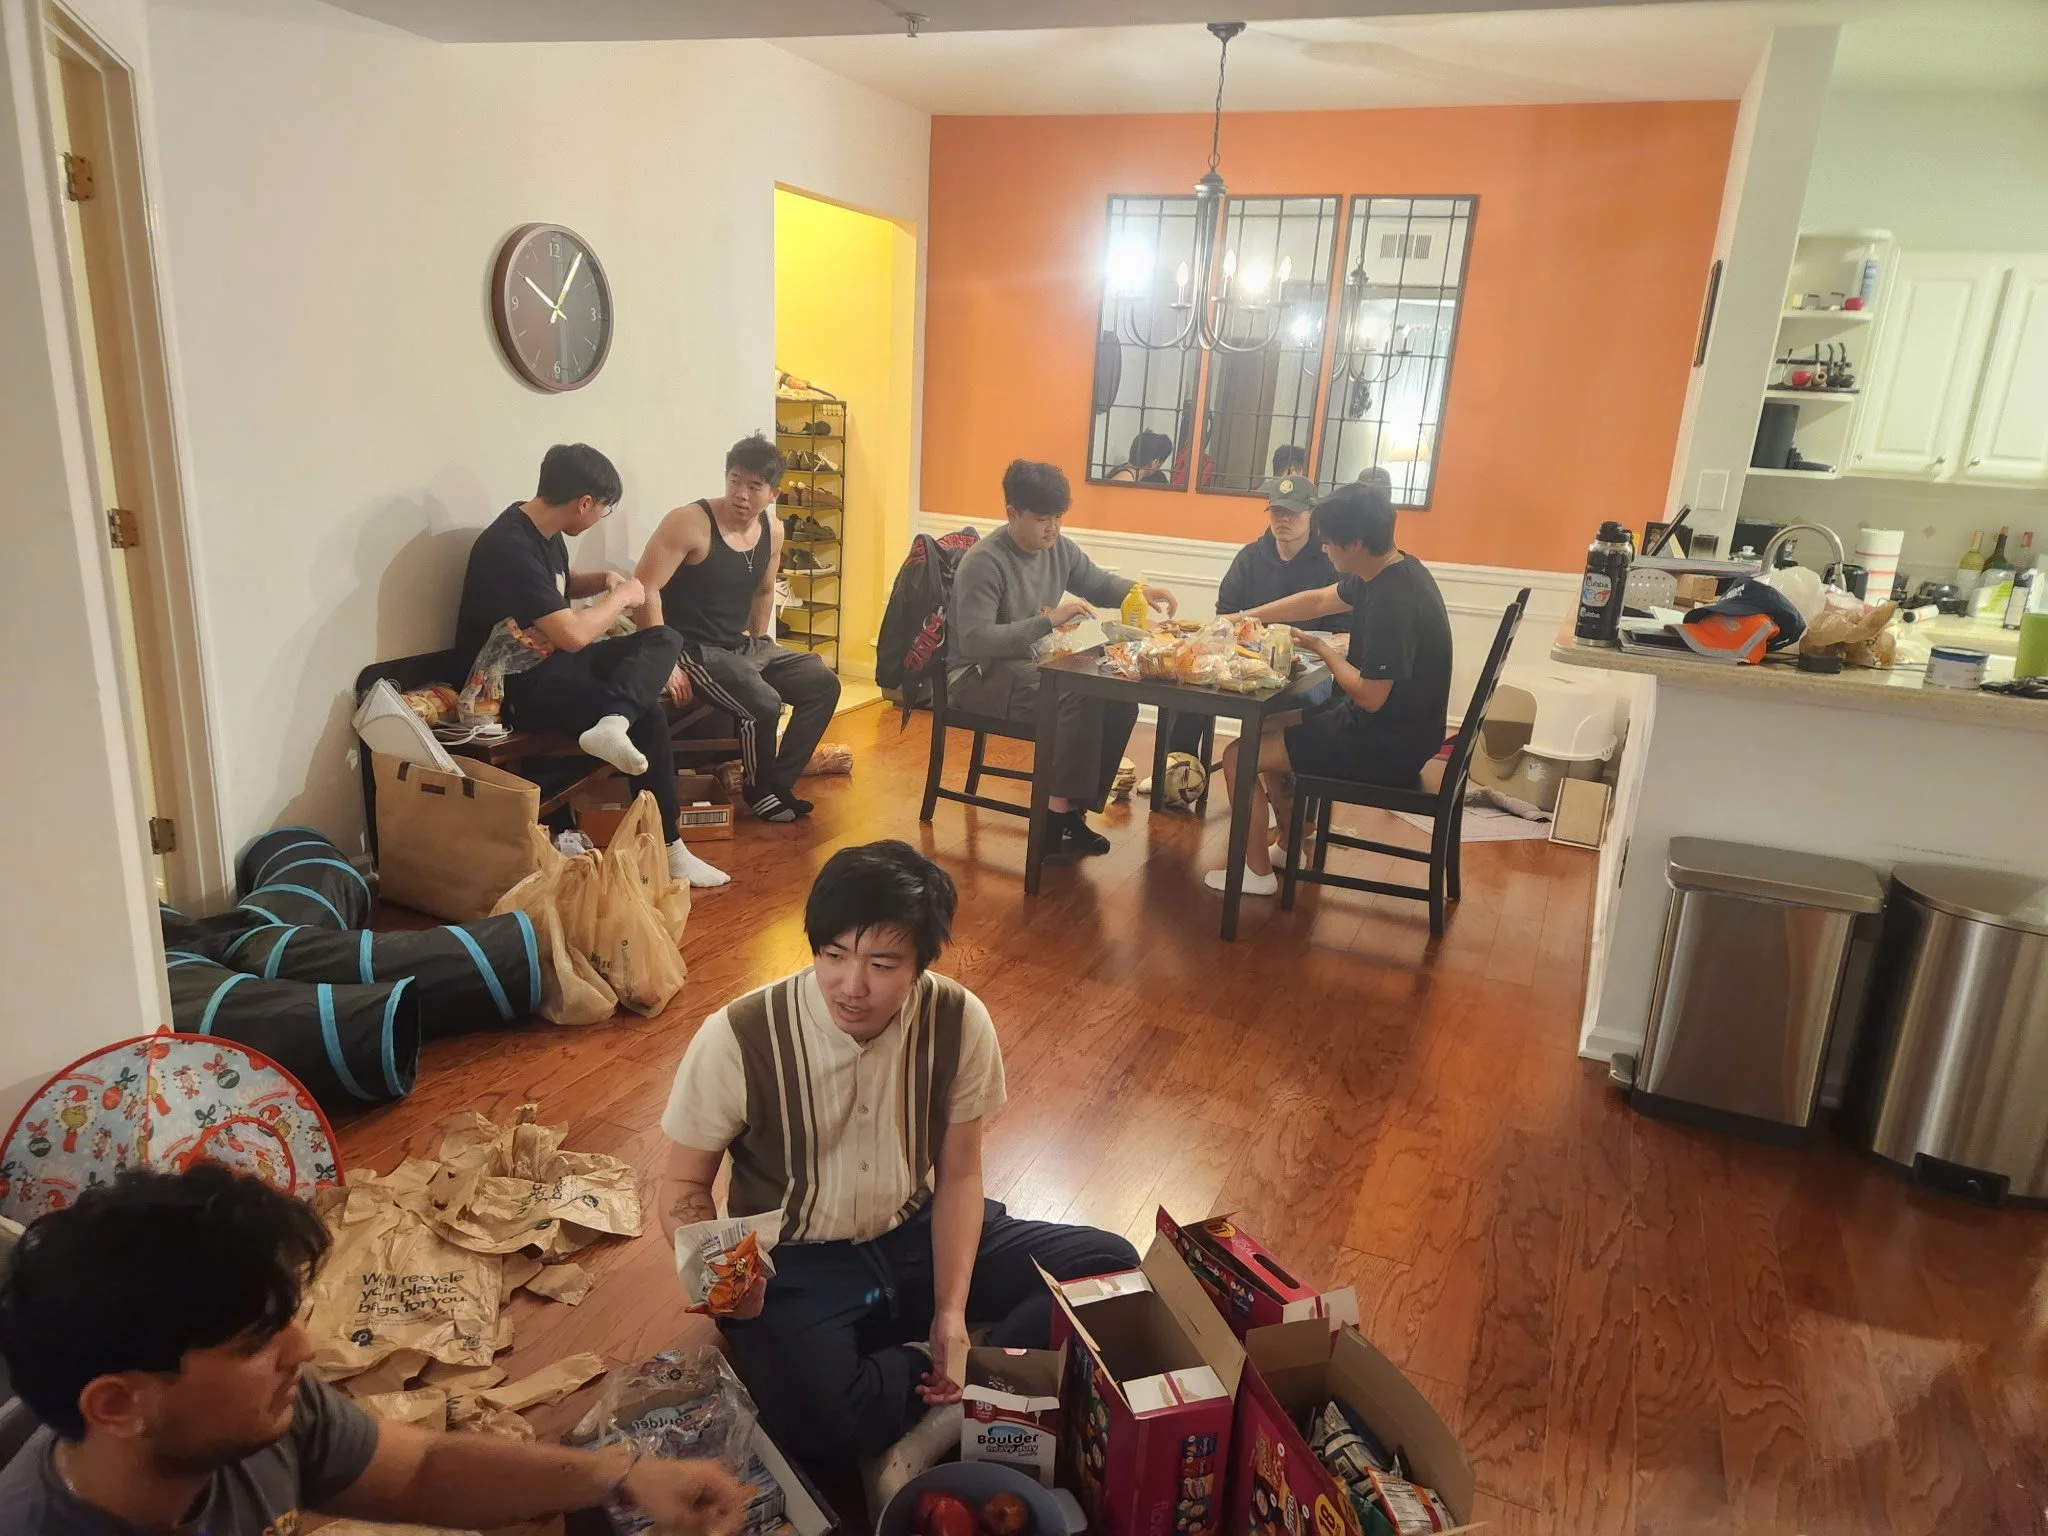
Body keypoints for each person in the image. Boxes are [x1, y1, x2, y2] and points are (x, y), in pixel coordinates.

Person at [659, 841, 1138, 1489]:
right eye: (833, 956)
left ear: (921, 962)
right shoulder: (739, 1035)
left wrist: (949, 1307)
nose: (851, 987)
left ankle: (933, 1375)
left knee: (1108, 1263)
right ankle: (966, 1368)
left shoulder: (957, 1020)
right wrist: (724, 1286)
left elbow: (961, 1175)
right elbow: (685, 1184)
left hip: (916, 1232)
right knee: (822, 1425)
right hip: (794, 1260)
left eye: (882, 964)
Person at [0, 1164, 747, 1536]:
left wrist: (622, 1476)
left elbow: (418, 1469)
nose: (307, 1346)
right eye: (257, 1340)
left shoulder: (260, 1417)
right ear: (118, 1405)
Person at [454, 443, 728, 889]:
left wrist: (602, 579)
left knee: (664, 637)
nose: (599, 517)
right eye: (602, 510)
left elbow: (558, 589)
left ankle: (615, 722)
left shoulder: (542, 530)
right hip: (512, 685)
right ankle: (671, 848)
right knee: (651, 715)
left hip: (554, 663)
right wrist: (619, 598)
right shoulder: (508, 546)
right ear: (584, 502)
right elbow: (574, 634)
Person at [1204, 482, 1452, 896]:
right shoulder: (1390, 569)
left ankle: (1255, 873)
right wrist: (1244, 617)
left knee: (1237, 755)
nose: (1323, 549)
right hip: (1401, 729)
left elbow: (1370, 697)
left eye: (1328, 541)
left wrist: (1320, 646)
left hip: (1389, 744)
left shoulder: (1394, 599)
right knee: (1276, 722)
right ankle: (1288, 846)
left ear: (1355, 542)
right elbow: (1318, 602)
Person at [947, 460, 1176, 859]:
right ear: (1012, 514)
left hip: (1027, 666)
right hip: (975, 675)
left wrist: (1140, 590)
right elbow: (976, 639)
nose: (1052, 528)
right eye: (1042, 519)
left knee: (1118, 696)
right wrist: (1050, 621)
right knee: (1077, 695)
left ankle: (1072, 811)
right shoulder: (985, 561)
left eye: (1057, 517)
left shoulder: (1057, 549)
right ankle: (1054, 821)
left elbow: (1098, 582)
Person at [634, 434, 842, 825]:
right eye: (734, 481)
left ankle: (778, 782)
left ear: (773, 493)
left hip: (738, 645)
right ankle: (758, 791)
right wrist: (664, 661)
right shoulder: (689, 522)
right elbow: (644, 589)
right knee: (762, 702)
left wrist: (760, 646)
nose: (741, 494)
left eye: (753, 486)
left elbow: (764, 591)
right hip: (690, 648)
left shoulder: (773, 531)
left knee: (822, 683)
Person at [1146, 475, 1344, 789]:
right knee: (1191, 687)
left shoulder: (1330, 562)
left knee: (1300, 702)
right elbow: (1224, 615)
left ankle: (1293, 800)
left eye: (1292, 512)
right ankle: (1179, 772)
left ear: (1312, 514)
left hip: (1306, 669)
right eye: (1277, 510)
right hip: (1244, 661)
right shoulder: (1251, 556)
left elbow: (1341, 635)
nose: (1283, 518)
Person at [1107, 429, 1174, 484]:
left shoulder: (1116, 472)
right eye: (1159, 464)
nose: (1157, 469)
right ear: (1154, 462)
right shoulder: (1125, 481)